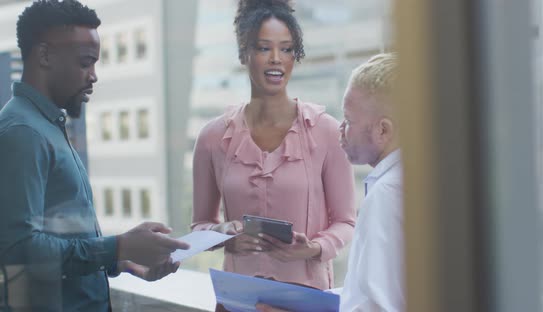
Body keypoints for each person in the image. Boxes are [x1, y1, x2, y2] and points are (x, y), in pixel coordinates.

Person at [0, 1, 189, 311]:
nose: (94, 76)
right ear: (45, 56)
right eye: (86, 62)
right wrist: (118, 247)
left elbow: (59, 235)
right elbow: (19, 250)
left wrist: (124, 260)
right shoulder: (23, 133)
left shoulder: (47, 126)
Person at [191, 0, 356, 291]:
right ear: (244, 54)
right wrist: (224, 235)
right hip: (239, 299)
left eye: (287, 49)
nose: (276, 59)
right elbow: (201, 225)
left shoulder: (326, 131)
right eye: (264, 48)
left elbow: (346, 221)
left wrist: (315, 248)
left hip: (306, 298)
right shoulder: (212, 138)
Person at [257, 53, 403, 312]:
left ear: (383, 130)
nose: (341, 128)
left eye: (349, 120)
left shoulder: (388, 193)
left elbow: (378, 308)